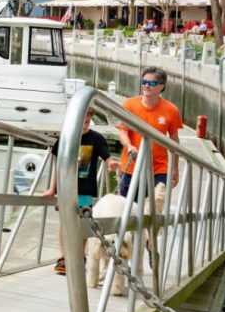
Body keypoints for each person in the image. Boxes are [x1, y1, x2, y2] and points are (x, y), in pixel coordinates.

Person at [42, 108, 111, 274]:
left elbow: (107, 157)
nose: (84, 126)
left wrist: (112, 164)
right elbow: (57, 165)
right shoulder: (66, 137)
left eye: (87, 122)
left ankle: (79, 255)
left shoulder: (96, 138)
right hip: (66, 188)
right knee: (65, 222)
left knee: (83, 224)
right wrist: (52, 189)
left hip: (86, 190)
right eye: (81, 122)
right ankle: (64, 256)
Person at [115, 66, 182, 198]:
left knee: (154, 207)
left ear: (161, 87)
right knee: (128, 209)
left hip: (159, 168)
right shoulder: (129, 105)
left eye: (151, 83)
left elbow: (174, 140)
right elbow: (123, 132)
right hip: (132, 166)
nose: (146, 86)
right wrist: (129, 147)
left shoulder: (171, 110)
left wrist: (175, 167)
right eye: (144, 82)